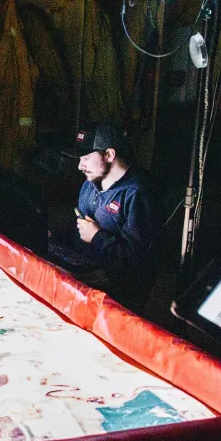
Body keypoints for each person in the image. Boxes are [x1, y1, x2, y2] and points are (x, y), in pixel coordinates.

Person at [57, 122, 158, 311]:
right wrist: (56, 237)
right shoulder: (90, 183)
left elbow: (136, 261)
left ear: (110, 155)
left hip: (117, 297)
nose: (80, 166)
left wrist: (97, 237)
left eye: (86, 158)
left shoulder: (137, 194)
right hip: (83, 280)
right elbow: (77, 229)